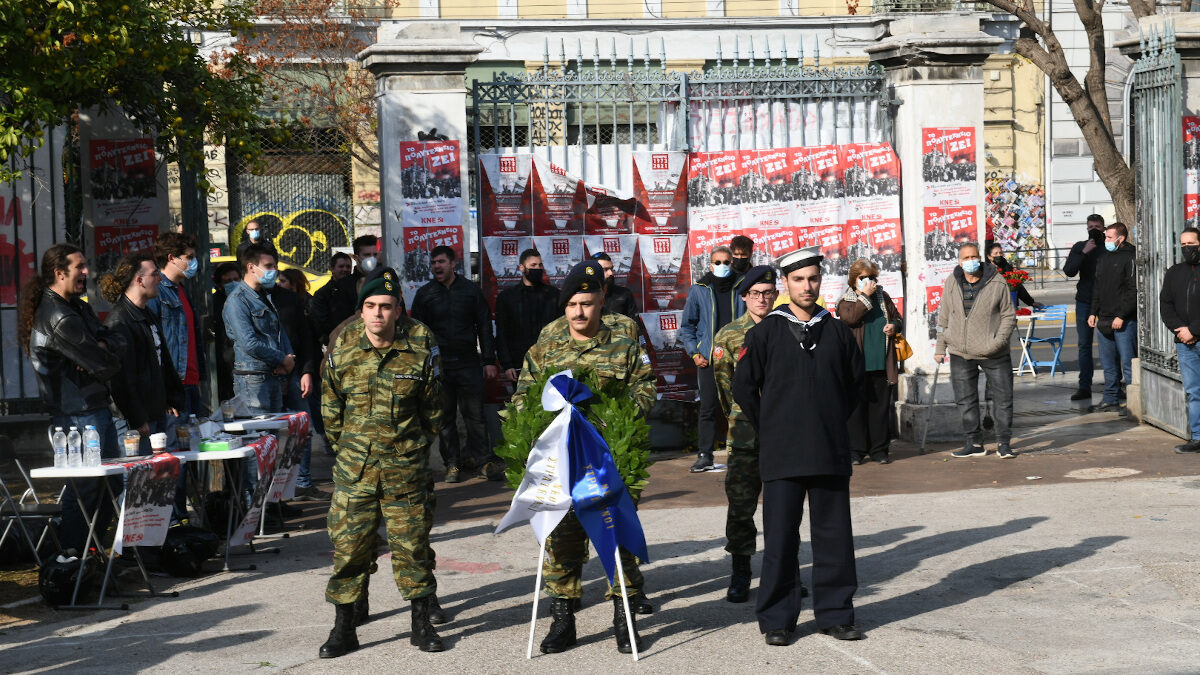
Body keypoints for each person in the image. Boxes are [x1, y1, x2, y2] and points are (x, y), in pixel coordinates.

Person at [512, 260, 656, 655]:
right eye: (572, 304)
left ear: (600, 302)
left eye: (587, 304)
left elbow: (645, 391)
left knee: (616, 538)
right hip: (562, 460)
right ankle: (563, 620)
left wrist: (612, 421)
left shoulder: (623, 340)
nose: (579, 312)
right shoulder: (547, 342)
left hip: (608, 458)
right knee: (561, 540)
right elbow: (524, 394)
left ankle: (622, 620)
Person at [733, 246, 864, 645]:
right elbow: (743, 387)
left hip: (828, 450)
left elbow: (855, 388)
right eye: (798, 280)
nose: (807, 286)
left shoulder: (838, 330)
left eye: (813, 278)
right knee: (780, 539)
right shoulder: (765, 333)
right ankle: (777, 619)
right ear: (785, 285)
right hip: (781, 452)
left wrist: (828, 420)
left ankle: (836, 614)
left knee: (834, 537)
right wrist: (771, 425)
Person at [319, 267, 447, 657]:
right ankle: (344, 627)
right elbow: (331, 408)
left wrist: (412, 449)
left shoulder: (421, 342)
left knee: (413, 547)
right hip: (355, 469)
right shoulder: (344, 345)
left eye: (386, 307)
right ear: (361, 310)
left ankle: (421, 623)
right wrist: (350, 450)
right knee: (349, 548)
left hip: (404, 467)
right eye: (370, 306)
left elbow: (433, 409)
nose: (377, 314)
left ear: (398, 311)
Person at [18, 243, 123, 554]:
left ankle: (88, 551)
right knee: (87, 489)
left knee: (111, 485)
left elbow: (113, 340)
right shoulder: (58, 316)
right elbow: (105, 364)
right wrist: (100, 352)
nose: (86, 272)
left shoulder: (77, 307)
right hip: (77, 416)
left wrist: (101, 346)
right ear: (59, 272)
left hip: (92, 409)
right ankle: (72, 556)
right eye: (80, 267)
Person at [712, 265, 796, 603]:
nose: (762, 299)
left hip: (784, 433)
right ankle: (741, 572)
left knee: (785, 508)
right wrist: (739, 418)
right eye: (755, 294)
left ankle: (786, 573)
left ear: (776, 295)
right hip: (745, 433)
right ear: (744, 297)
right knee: (741, 506)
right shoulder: (729, 336)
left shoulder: (789, 329)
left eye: (767, 293)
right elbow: (724, 390)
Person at [410, 245, 500, 483]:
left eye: (440, 262)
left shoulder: (470, 291)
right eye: (433, 263)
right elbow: (417, 334)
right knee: (445, 418)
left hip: (469, 363)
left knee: (475, 416)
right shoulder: (425, 294)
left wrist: (489, 360)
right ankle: (453, 464)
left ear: (453, 264)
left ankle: (484, 462)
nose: (436, 266)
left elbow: (483, 326)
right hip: (440, 368)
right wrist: (422, 367)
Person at [935, 243, 1017, 459]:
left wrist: (997, 342)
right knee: (965, 399)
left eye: (974, 256)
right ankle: (974, 443)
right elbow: (944, 316)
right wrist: (940, 346)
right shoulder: (952, 282)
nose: (970, 261)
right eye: (966, 257)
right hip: (961, 352)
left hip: (993, 352)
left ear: (980, 258)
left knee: (1003, 397)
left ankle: (1003, 443)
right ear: (960, 261)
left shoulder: (997, 282)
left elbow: (1009, 316)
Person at [99, 252, 185, 456]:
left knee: (158, 477)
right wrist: (137, 418)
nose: (160, 278)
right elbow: (121, 379)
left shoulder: (146, 314)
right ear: (139, 280)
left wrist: (170, 398)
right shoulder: (120, 322)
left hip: (155, 412)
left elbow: (159, 363)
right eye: (155, 274)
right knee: (136, 479)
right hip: (135, 420)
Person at [680, 245, 746, 472]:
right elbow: (687, 326)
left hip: (739, 358)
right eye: (717, 262)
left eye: (726, 262)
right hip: (708, 359)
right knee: (708, 408)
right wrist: (695, 353)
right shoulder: (699, 289)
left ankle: (745, 453)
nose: (722, 266)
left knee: (744, 406)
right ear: (710, 265)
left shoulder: (743, 286)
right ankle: (704, 456)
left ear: (732, 262)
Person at [836, 258, 903, 465]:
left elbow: (898, 319)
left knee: (880, 409)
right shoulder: (845, 300)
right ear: (854, 279)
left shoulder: (883, 297)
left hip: (881, 362)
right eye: (863, 278)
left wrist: (893, 326)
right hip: (856, 364)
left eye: (871, 277)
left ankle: (879, 450)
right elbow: (851, 319)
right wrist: (864, 296)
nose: (868, 281)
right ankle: (856, 451)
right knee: (856, 410)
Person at [224, 243, 296, 415]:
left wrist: (288, 359)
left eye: (275, 266)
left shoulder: (265, 296)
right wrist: (282, 359)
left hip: (272, 374)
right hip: (252, 379)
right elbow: (249, 343)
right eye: (269, 266)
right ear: (251, 267)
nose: (274, 271)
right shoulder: (237, 300)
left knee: (272, 437)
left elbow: (278, 331)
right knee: (258, 435)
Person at [272, 268, 322, 501]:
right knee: (269, 435)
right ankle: (275, 491)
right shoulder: (247, 300)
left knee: (304, 428)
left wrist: (306, 371)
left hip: (295, 373)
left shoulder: (296, 303)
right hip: (268, 375)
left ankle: (302, 482)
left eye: (282, 279)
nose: (278, 282)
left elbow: (305, 339)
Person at [149, 231, 205, 428]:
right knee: (177, 452)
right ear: (172, 258)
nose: (194, 262)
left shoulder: (181, 290)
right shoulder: (157, 292)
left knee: (194, 448)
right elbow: (152, 345)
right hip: (173, 387)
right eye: (189, 257)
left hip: (190, 383)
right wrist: (165, 391)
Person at [1088, 222, 1137, 414]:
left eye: (1109, 237)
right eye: (1106, 237)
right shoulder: (1104, 258)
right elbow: (1098, 288)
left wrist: (1122, 315)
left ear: (1120, 238)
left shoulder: (1130, 258)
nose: (1106, 241)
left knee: (1128, 362)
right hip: (1104, 319)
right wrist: (1093, 312)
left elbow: (1133, 290)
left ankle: (1134, 401)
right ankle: (1110, 397)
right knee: (1108, 364)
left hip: (1123, 321)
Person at [1162, 227, 1200, 454]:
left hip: (1194, 335)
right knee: (1194, 391)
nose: (1187, 249)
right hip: (1184, 343)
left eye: (1191, 244)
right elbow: (1165, 304)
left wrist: (1194, 330)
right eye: (1183, 245)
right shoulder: (1175, 272)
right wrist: (1181, 331)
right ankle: (1197, 437)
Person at [494, 249, 558, 383]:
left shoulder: (554, 295)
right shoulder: (507, 297)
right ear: (522, 268)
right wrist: (507, 364)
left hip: (550, 363)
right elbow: (502, 333)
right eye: (533, 265)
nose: (538, 268)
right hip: (519, 365)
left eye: (540, 265)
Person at [1063, 214, 1106, 400]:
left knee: (1109, 346)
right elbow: (1069, 271)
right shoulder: (1081, 246)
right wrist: (1084, 252)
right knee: (1084, 346)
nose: (1094, 230)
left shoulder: (1109, 246)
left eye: (1097, 226)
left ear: (1103, 228)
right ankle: (1084, 386)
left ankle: (1114, 385)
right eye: (1090, 227)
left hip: (1106, 302)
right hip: (1085, 301)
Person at [313, 236, 378, 345]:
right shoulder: (342, 287)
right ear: (356, 258)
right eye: (367, 255)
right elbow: (338, 324)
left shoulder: (386, 281)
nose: (372, 259)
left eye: (375, 255)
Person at [212, 262, 241, 402]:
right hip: (223, 364)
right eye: (228, 281)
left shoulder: (248, 300)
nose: (234, 283)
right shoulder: (214, 304)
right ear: (219, 285)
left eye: (236, 279)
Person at [986, 243, 1043, 309]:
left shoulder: (1007, 266)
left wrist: (1031, 302)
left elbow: (1018, 286)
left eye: (1000, 253)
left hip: (1012, 305)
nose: (999, 255)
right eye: (996, 253)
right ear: (989, 257)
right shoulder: (986, 272)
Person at [593, 252, 639, 318]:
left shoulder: (624, 294)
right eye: (605, 269)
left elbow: (636, 324)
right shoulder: (583, 295)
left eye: (611, 269)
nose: (611, 273)